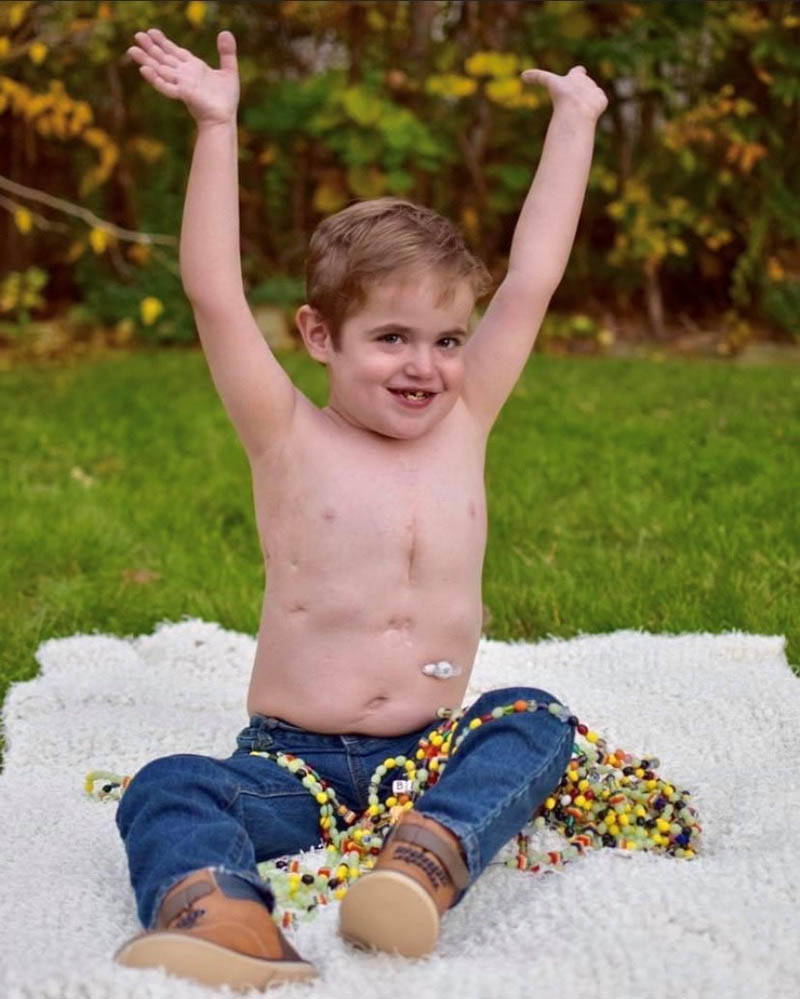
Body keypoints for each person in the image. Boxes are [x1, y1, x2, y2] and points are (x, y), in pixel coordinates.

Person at [116, 26, 608, 993]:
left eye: (445, 338)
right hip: (291, 768)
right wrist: (217, 127)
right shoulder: (285, 434)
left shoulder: (465, 417)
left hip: (428, 755)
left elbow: (536, 272)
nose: (424, 366)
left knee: (535, 718)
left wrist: (576, 121)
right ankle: (225, 917)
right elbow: (213, 292)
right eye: (390, 337)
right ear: (318, 335)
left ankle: (424, 859)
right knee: (169, 784)